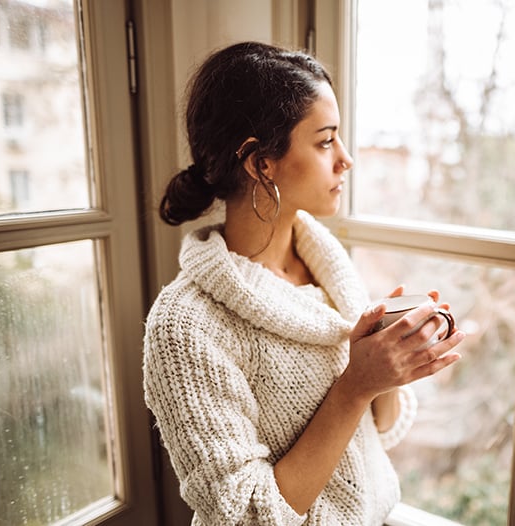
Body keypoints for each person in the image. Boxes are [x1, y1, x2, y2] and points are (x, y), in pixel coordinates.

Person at [143, 41, 465, 525]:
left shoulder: (327, 268)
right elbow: (246, 516)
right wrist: (355, 386)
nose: (346, 159)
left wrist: (388, 369)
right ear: (259, 163)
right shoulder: (186, 326)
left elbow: (376, 437)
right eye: (324, 141)